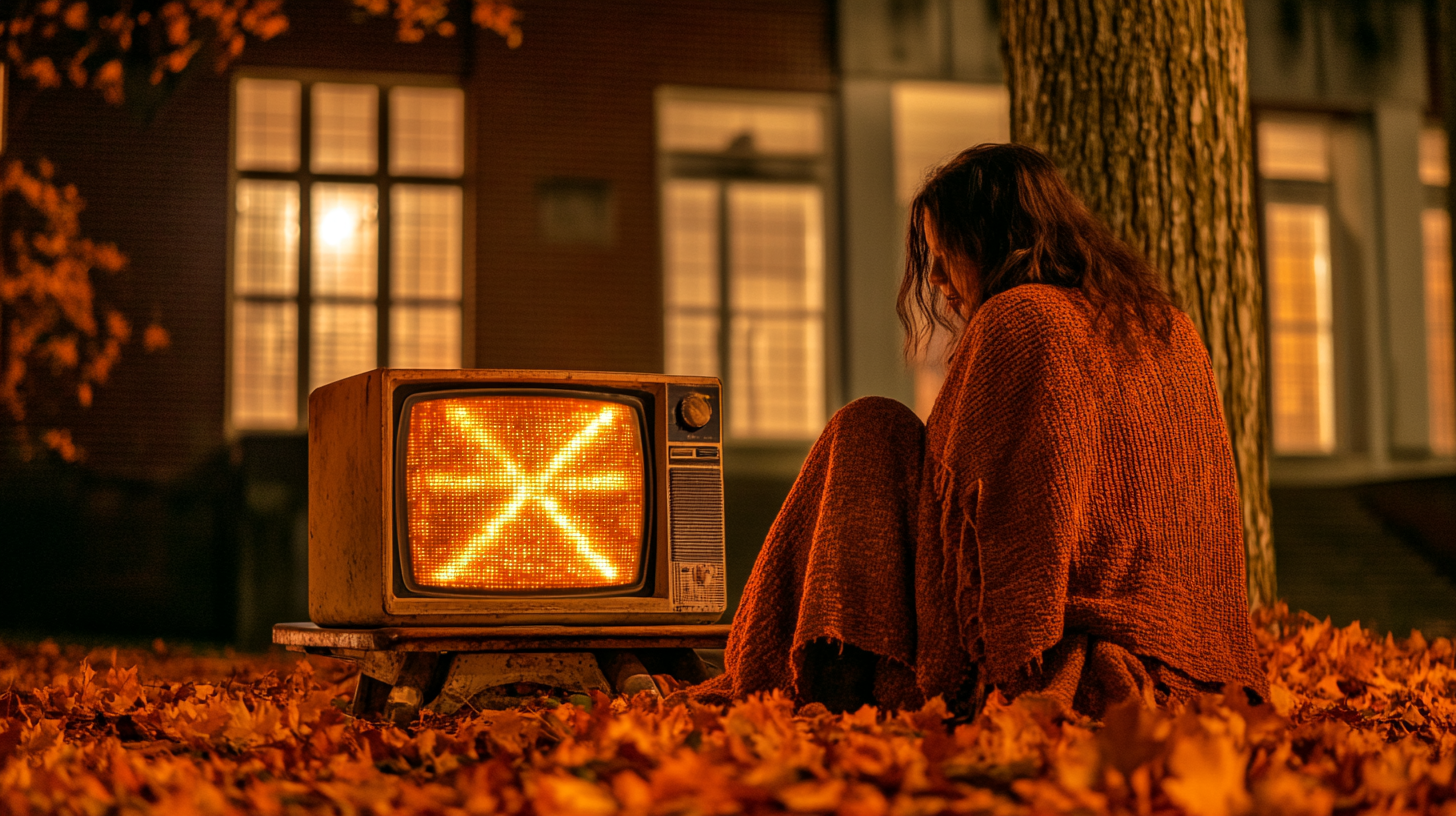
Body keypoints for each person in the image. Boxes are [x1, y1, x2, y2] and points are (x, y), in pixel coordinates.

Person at [694, 143, 1267, 717]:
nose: (937, 274)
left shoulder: (1017, 318)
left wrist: (1002, 668)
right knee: (876, 425)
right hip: (1199, 655)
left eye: (946, 249)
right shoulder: (1167, 323)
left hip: (1057, 650)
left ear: (994, 237)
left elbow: (996, 530)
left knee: (865, 428)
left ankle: (795, 681)